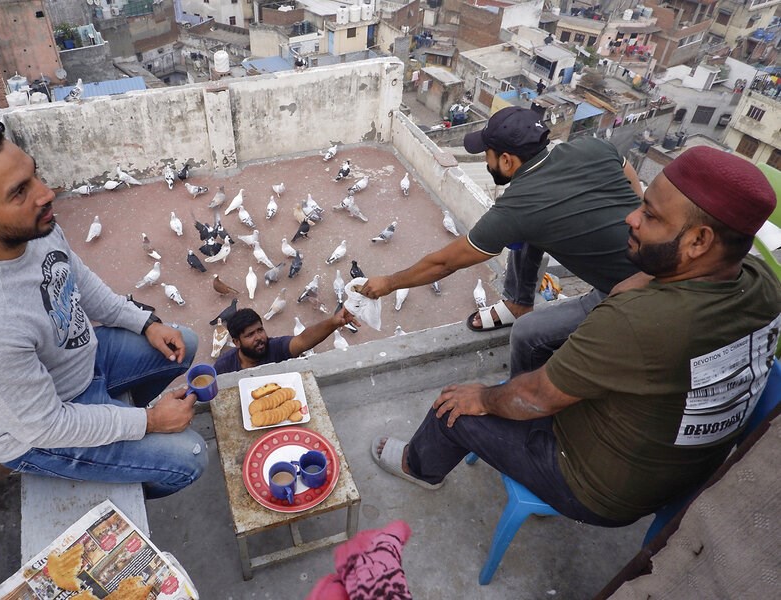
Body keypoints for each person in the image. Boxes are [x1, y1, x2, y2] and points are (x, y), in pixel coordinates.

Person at [372, 146, 781, 525]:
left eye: (651, 216)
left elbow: (533, 398)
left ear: (699, 241)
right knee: (535, 344)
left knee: (452, 408)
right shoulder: (762, 282)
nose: (630, 218)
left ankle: (417, 467)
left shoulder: (636, 322)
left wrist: (483, 398)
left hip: (601, 488)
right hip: (686, 467)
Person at [0, 117, 207, 499]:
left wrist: (145, 323)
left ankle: (124, 438)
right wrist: (148, 422)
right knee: (191, 457)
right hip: (38, 430)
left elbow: (73, 276)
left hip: (79, 362)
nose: (46, 193)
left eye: (34, 175)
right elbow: (46, 426)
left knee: (182, 342)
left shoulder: (29, 225)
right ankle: (112, 487)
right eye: (20, 191)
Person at [361, 106, 644, 376]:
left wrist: (390, 283)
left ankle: (522, 397)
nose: (486, 161)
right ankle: (518, 304)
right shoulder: (591, 147)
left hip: (634, 297)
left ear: (507, 160)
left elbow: (446, 262)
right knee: (525, 237)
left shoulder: (517, 208)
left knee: (527, 335)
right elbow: (632, 181)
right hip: (645, 260)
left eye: (488, 154)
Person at [214, 307, 360, 374]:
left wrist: (334, 322)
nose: (259, 337)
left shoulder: (275, 348)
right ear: (236, 342)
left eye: (260, 330)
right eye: (250, 335)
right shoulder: (224, 366)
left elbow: (303, 340)